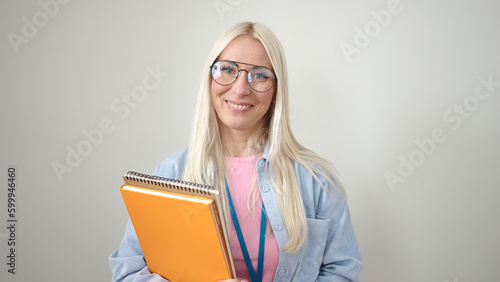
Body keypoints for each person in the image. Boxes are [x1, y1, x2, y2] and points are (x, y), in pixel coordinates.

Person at [109, 22, 363, 281]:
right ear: (210, 79)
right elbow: (127, 273)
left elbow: (341, 271)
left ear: (276, 90)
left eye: (260, 75)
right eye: (228, 70)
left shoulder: (317, 180)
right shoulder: (172, 173)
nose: (241, 89)